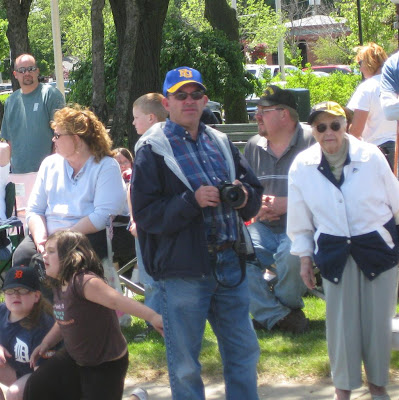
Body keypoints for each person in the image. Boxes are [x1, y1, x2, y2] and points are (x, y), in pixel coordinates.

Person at [132, 66, 263, 400]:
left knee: (244, 353)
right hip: (184, 271)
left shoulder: (219, 141)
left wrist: (244, 196)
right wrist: (192, 201)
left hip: (230, 264)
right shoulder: (152, 148)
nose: (189, 101)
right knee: (186, 364)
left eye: (195, 95)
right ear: (167, 102)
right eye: (180, 95)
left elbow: (252, 189)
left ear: (204, 100)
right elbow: (146, 215)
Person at [287, 101, 399, 400]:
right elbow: (300, 220)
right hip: (335, 250)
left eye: (334, 125)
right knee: (341, 327)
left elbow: (395, 201)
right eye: (320, 127)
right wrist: (305, 259)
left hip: (377, 246)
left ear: (345, 125)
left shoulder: (371, 156)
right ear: (314, 130)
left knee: (377, 325)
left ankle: (378, 388)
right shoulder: (302, 165)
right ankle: (343, 392)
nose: (328, 133)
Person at [23, 230, 162, 400]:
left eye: (51, 251)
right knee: (37, 385)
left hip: (105, 363)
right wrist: (46, 343)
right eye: (45, 250)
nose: (44, 255)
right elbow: (62, 320)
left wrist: (153, 317)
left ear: (70, 256)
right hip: (75, 358)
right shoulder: (60, 283)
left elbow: (117, 301)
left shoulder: (84, 282)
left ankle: (137, 397)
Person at [244, 85, 313, 334]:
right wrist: (256, 204)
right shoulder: (254, 146)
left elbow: (329, 191)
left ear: (284, 114)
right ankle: (282, 316)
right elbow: (245, 189)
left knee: (292, 254)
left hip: (304, 226)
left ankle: (273, 313)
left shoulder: (312, 141)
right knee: (234, 254)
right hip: (262, 226)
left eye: (263, 110)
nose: (256, 116)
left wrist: (289, 204)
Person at [129, 93, 167, 341]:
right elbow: (134, 190)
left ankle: (157, 324)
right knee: (153, 276)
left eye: (136, 118)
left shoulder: (150, 144)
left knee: (153, 277)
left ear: (151, 117)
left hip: (154, 224)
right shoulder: (149, 142)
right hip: (148, 221)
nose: (133, 123)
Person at [1, 54, 65, 173]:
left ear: (37, 71)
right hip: (18, 175)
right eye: (22, 70)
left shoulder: (50, 95)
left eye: (31, 69)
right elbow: (9, 140)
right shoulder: (11, 101)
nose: (27, 73)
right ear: (15, 74)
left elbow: (61, 136)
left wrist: (52, 169)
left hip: (48, 174)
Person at [0, 266, 56, 400]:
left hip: (43, 375)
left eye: (23, 290)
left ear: (36, 296)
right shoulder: (2, 311)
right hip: (16, 370)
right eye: (10, 290)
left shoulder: (43, 325)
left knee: (15, 393)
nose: (15, 295)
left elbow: (44, 377)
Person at [347, 43, 396, 170]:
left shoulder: (367, 87)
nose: (360, 69)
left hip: (380, 153)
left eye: (360, 63)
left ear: (369, 62)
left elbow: (356, 131)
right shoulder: (394, 84)